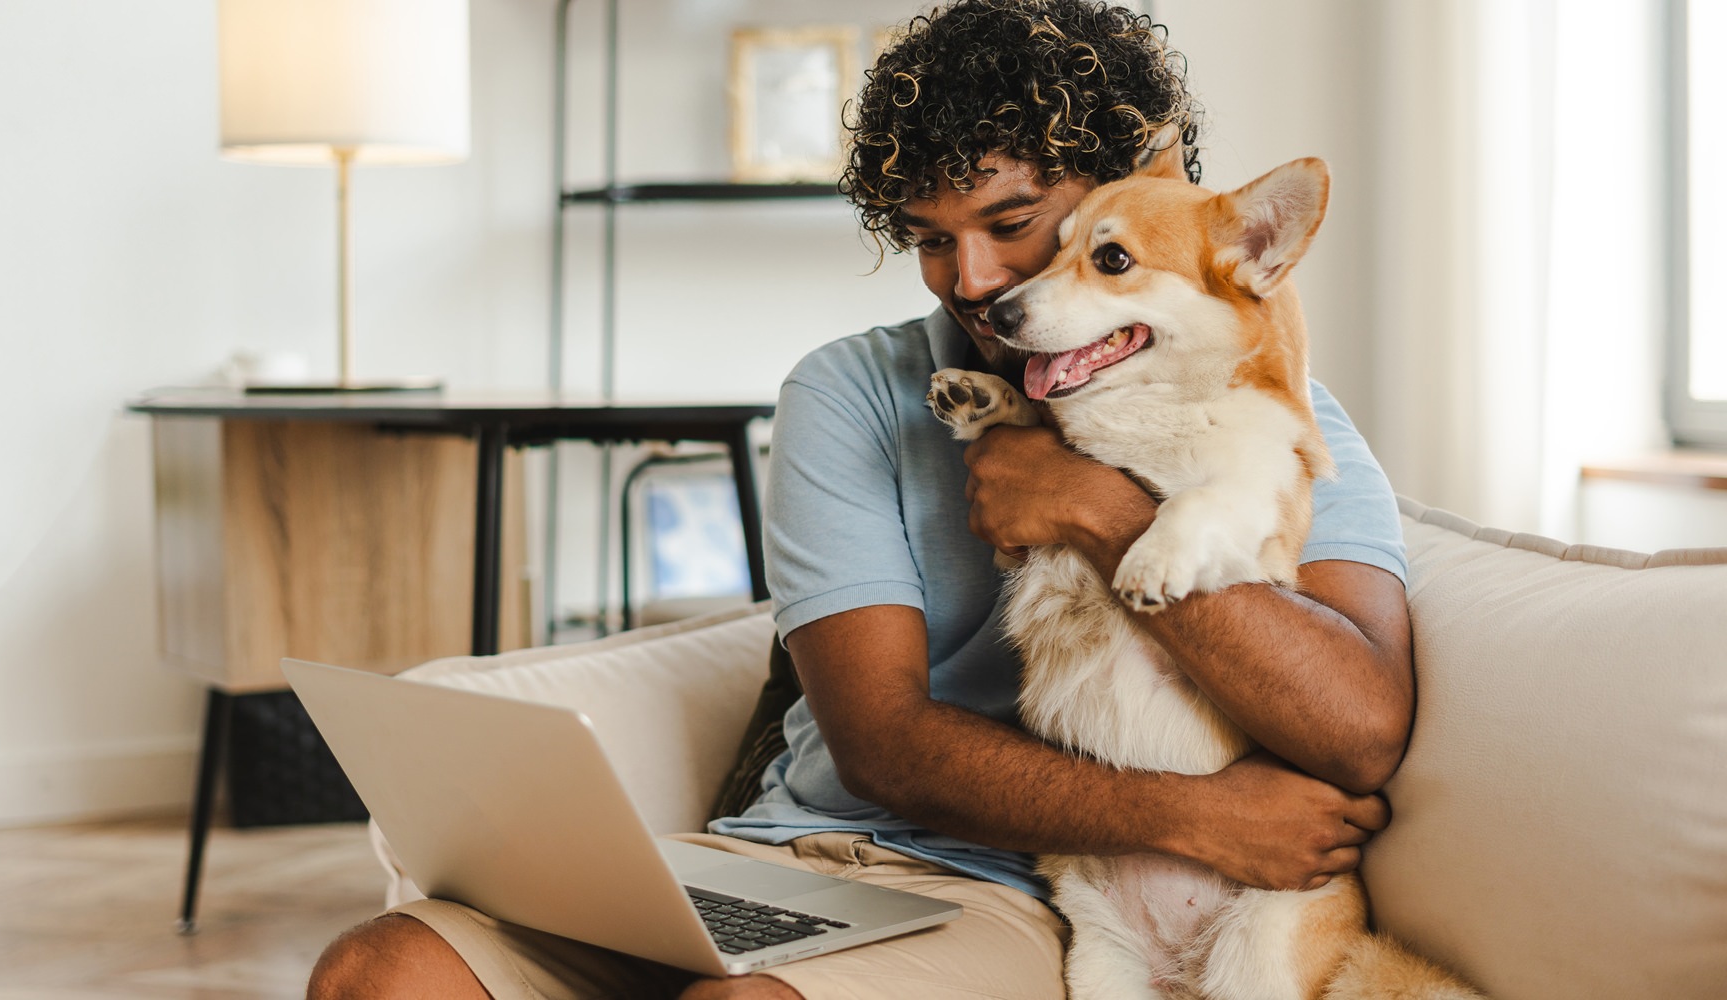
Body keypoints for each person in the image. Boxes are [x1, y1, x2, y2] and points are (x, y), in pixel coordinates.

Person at [306, 2, 1414, 997]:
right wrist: (1190, 817)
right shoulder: (853, 391)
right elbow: (880, 743)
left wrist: (1097, 509)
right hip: (776, 855)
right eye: (932, 239)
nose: (973, 280)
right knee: (384, 968)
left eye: (1012, 221)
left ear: (1121, 199)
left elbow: (1361, 731)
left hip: (1002, 896)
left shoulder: (1276, 421)